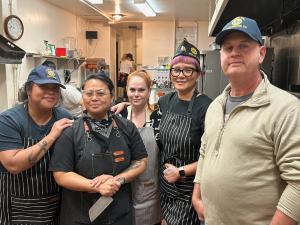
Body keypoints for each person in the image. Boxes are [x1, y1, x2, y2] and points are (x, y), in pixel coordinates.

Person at [192, 16, 300, 225]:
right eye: (228, 47)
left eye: (244, 46)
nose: (234, 52)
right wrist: (197, 194)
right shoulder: (215, 106)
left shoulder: (285, 109)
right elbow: (205, 150)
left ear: (261, 53)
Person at [112, 39, 211, 225]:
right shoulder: (166, 101)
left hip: (189, 189)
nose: (180, 75)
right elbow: (144, 107)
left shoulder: (206, 106)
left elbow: (213, 155)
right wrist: (126, 104)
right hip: (165, 188)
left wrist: (182, 171)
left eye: (188, 69)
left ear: (198, 74)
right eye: (176, 69)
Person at [48, 74, 148, 225]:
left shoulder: (127, 127)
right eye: (89, 93)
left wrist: (117, 180)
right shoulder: (71, 131)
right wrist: (96, 186)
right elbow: (61, 174)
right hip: (80, 215)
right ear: (82, 97)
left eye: (101, 93)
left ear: (112, 97)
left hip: (119, 214)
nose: (94, 98)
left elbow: (140, 161)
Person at [0, 65, 73, 225]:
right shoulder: (8, 120)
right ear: (28, 90)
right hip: (18, 205)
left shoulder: (64, 117)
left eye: (55, 88)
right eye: (43, 86)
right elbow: (13, 164)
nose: (51, 92)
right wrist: (52, 135)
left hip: (55, 202)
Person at [122, 70, 162, 225]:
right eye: (132, 90)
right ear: (126, 90)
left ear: (149, 91)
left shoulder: (158, 117)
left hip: (150, 189)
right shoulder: (119, 115)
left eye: (141, 90)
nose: (136, 94)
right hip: (122, 187)